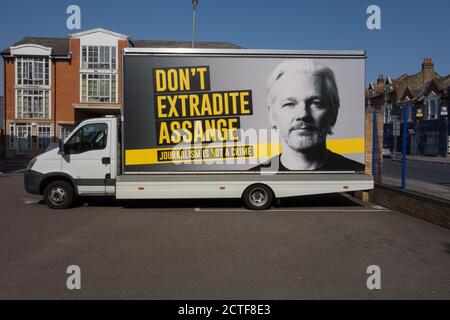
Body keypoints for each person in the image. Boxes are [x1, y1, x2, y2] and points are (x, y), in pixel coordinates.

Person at [251, 59, 364, 172]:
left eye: (316, 103)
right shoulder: (254, 176)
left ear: (334, 113)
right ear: (272, 115)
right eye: (289, 104)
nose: (303, 114)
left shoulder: (356, 172)